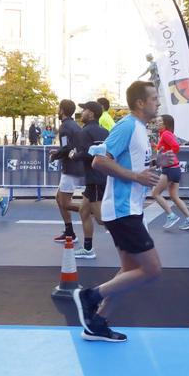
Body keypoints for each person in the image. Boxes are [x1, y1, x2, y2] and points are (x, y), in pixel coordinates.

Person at [71, 81, 164, 343]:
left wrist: (157, 162)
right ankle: (89, 296)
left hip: (130, 209)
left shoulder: (142, 129)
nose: (158, 103)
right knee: (152, 270)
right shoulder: (127, 125)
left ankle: (97, 323)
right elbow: (99, 161)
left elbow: (131, 162)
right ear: (140, 103)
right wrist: (136, 176)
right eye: (154, 98)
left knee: (129, 272)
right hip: (123, 210)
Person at [71, 101, 110, 259]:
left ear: (92, 114)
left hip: (94, 178)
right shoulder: (105, 131)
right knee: (83, 211)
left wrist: (73, 155)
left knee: (101, 219)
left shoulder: (84, 131)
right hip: (101, 176)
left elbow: (87, 153)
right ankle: (88, 249)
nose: (82, 112)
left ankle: (133, 232)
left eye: (85, 110)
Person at [50, 99, 90, 243]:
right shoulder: (75, 126)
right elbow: (69, 147)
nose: (57, 110)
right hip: (77, 166)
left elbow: (66, 148)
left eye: (58, 108)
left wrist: (55, 155)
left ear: (62, 110)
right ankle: (69, 232)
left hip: (71, 168)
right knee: (58, 198)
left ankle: (91, 210)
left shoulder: (65, 127)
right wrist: (59, 151)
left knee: (65, 202)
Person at [150, 114, 189, 230]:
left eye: (159, 121)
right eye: (157, 121)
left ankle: (171, 215)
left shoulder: (166, 134)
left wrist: (167, 155)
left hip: (170, 169)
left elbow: (176, 147)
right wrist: (156, 146)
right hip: (174, 169)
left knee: (155, 193)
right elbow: (166, 148)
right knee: (174, 196)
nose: (157, 122)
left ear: (165, 123)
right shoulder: (164, 134)